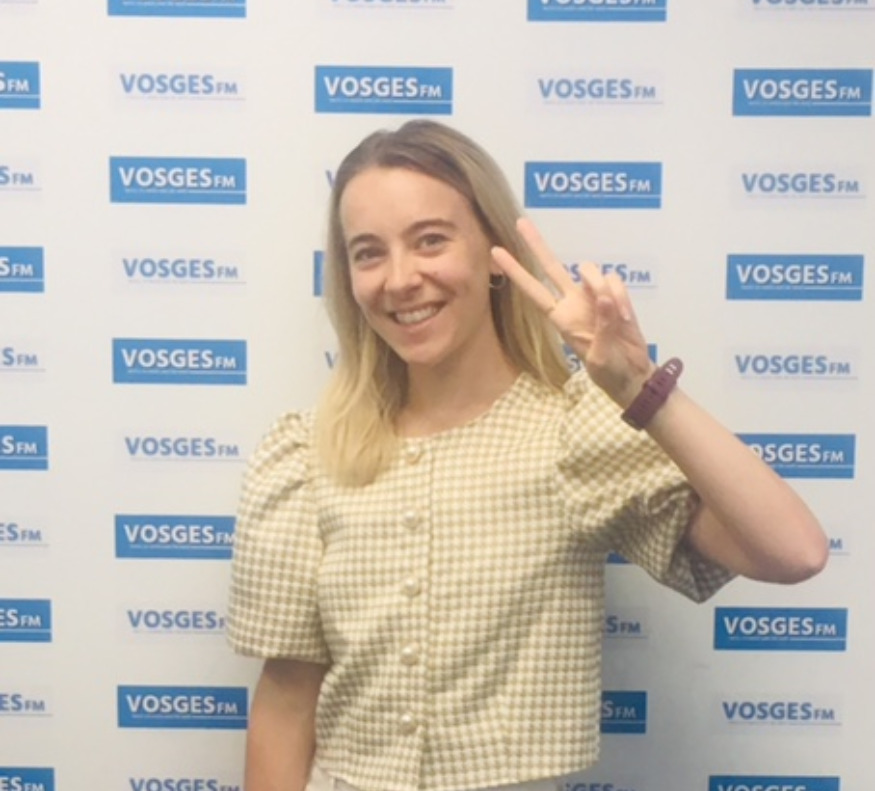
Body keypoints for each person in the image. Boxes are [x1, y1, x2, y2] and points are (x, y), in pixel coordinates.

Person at [226, 119, 828, 791]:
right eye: (368, 253)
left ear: (495, 253)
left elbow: (794, 551)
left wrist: (642, 390)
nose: (399, 278)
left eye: (430, 240)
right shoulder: (308, 453)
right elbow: (285, 699)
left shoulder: (575, 432)